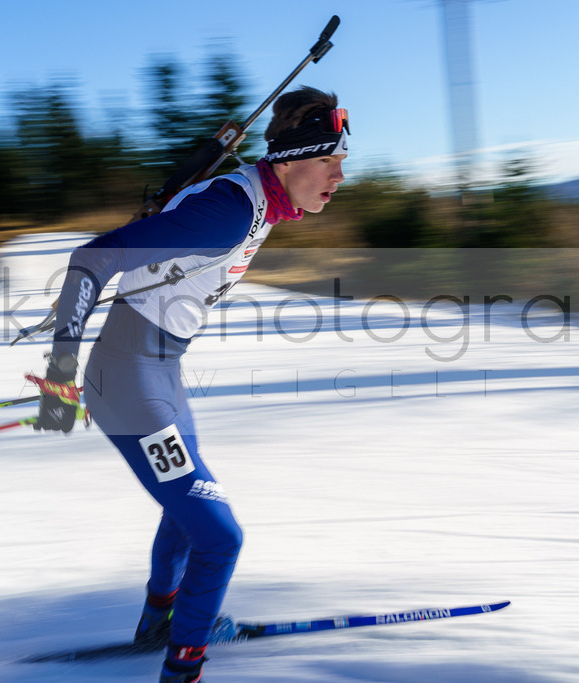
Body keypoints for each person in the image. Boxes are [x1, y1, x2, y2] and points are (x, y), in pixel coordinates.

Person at [28, 86, 349, 683]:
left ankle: (159, 623)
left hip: (161, 371)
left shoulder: (254, 198)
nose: (337, 175)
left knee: (189, 511)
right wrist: (61, 375)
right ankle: (182, 671)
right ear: (288, 161)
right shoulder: (229, 208)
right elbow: (92, 258)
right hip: (129, 379)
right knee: (219, 537)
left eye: (340, 163)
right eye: (327, 161)